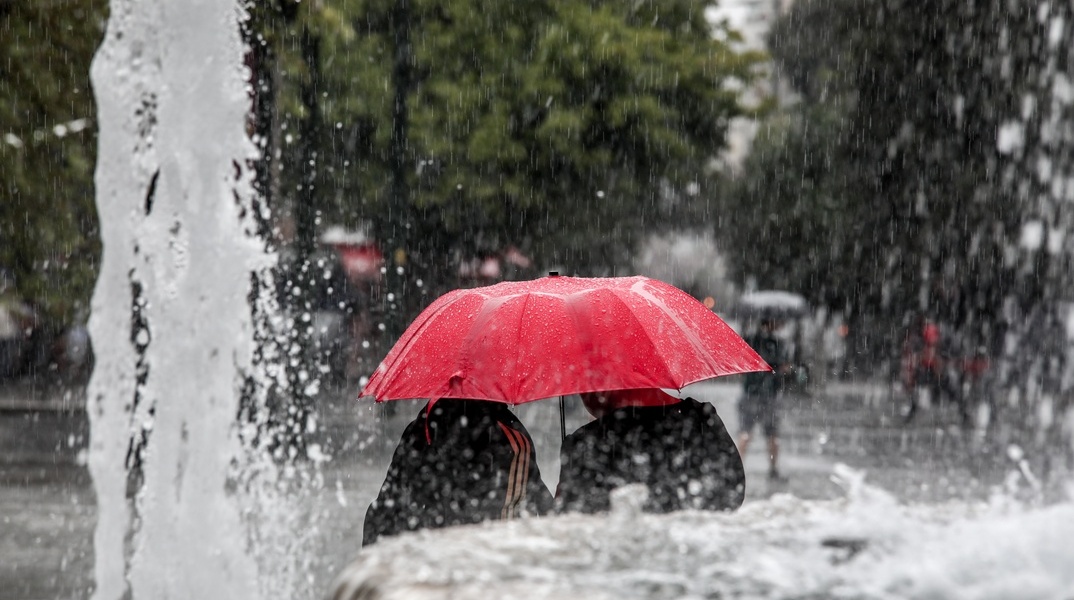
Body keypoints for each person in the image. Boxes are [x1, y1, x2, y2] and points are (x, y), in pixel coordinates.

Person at [362, 398, 554, 546]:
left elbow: (387, 506)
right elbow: (520, 508)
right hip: (487, 568)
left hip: (424, 565)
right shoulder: (509, 437)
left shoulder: (421, 428)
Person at [556, 388, 745, 514]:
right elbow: (732, 495)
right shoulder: (701, 419)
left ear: (600, 385)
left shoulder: (588, 443)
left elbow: (569, 518)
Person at [736, 318, 789, 481]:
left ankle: (736, 469)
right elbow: (784, 367)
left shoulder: (749, 339)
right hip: (770, 394)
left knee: (745, 432)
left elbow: (740, 365)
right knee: (772, 434)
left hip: (750, 393)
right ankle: (773, 470)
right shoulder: (777, 343)